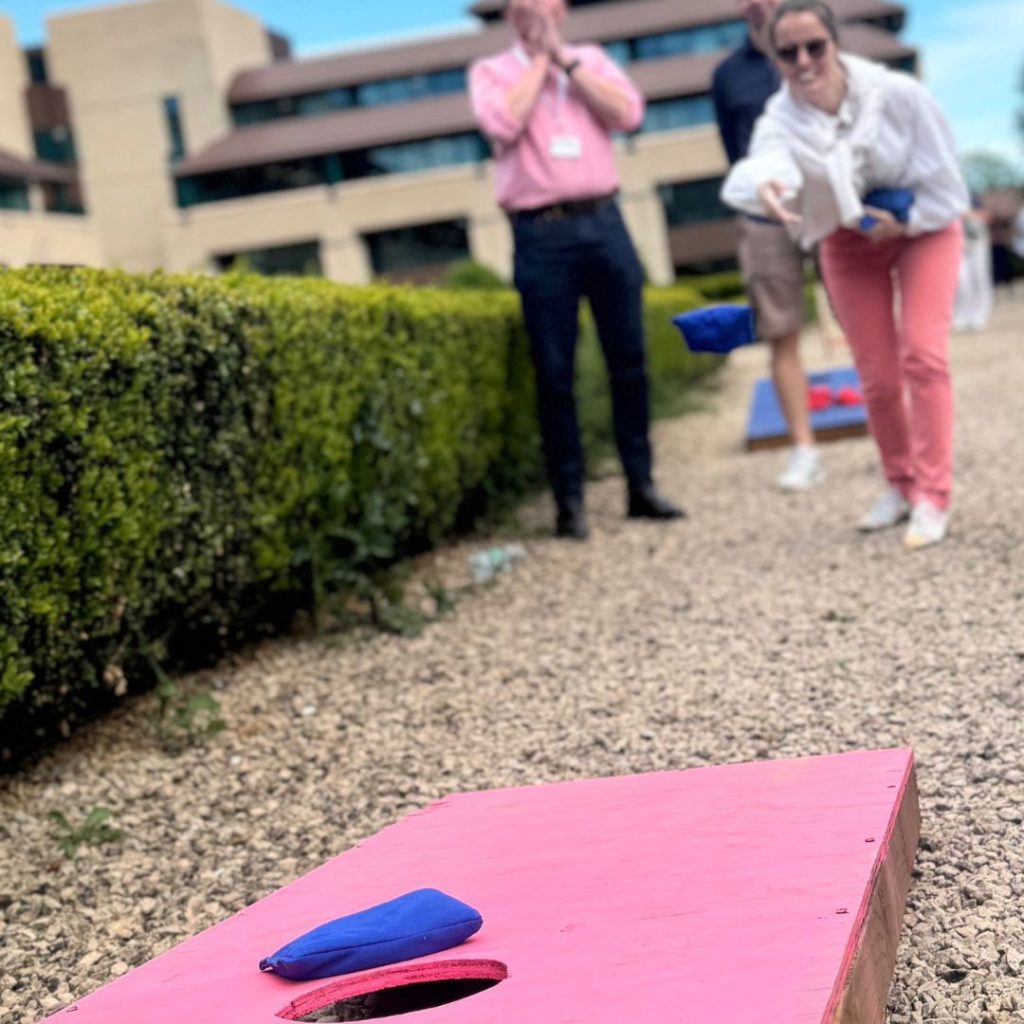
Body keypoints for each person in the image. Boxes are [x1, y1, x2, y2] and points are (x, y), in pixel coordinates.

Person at [722, 0, 969, 549]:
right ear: (774, 56)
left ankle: (933, 494)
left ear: (835, 44)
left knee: (923, 356)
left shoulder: (898, 95)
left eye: (815, 46)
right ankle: (900, 484)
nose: (804, 60)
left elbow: (950, 191)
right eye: (788, 52)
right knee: (878, 376)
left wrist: (904, 220)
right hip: (848, 243)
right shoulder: (778, 117)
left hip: (923, 231)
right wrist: (766, 186)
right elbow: (765, 167)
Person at [468, 0, 683, 541]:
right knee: (555, 372)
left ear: (560, 8)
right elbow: (501, 123)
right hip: (541, 233)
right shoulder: (492, 72)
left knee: (628, 361)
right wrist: (539, 62)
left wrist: (566, 62)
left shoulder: (591, 58)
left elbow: (628, 113)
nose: (530, 10)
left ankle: (642, 486)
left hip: (605, 222)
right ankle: (570, 502)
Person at [712, 0, 824, 492]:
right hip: (763, 215)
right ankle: (803, 449)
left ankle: (895, 440)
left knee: (864, 317)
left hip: (826, 201)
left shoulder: (814, 52)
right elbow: (732, 152)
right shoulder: (728, 75)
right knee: (781, 332)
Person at [953, 197, 993, 332]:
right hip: (957, 240)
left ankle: (979, 315)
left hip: (976, 240)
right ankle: (962, 315)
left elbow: (984, 215)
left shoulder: (973, 195)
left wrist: (970, 215)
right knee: (962, 281)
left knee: (979, 277)